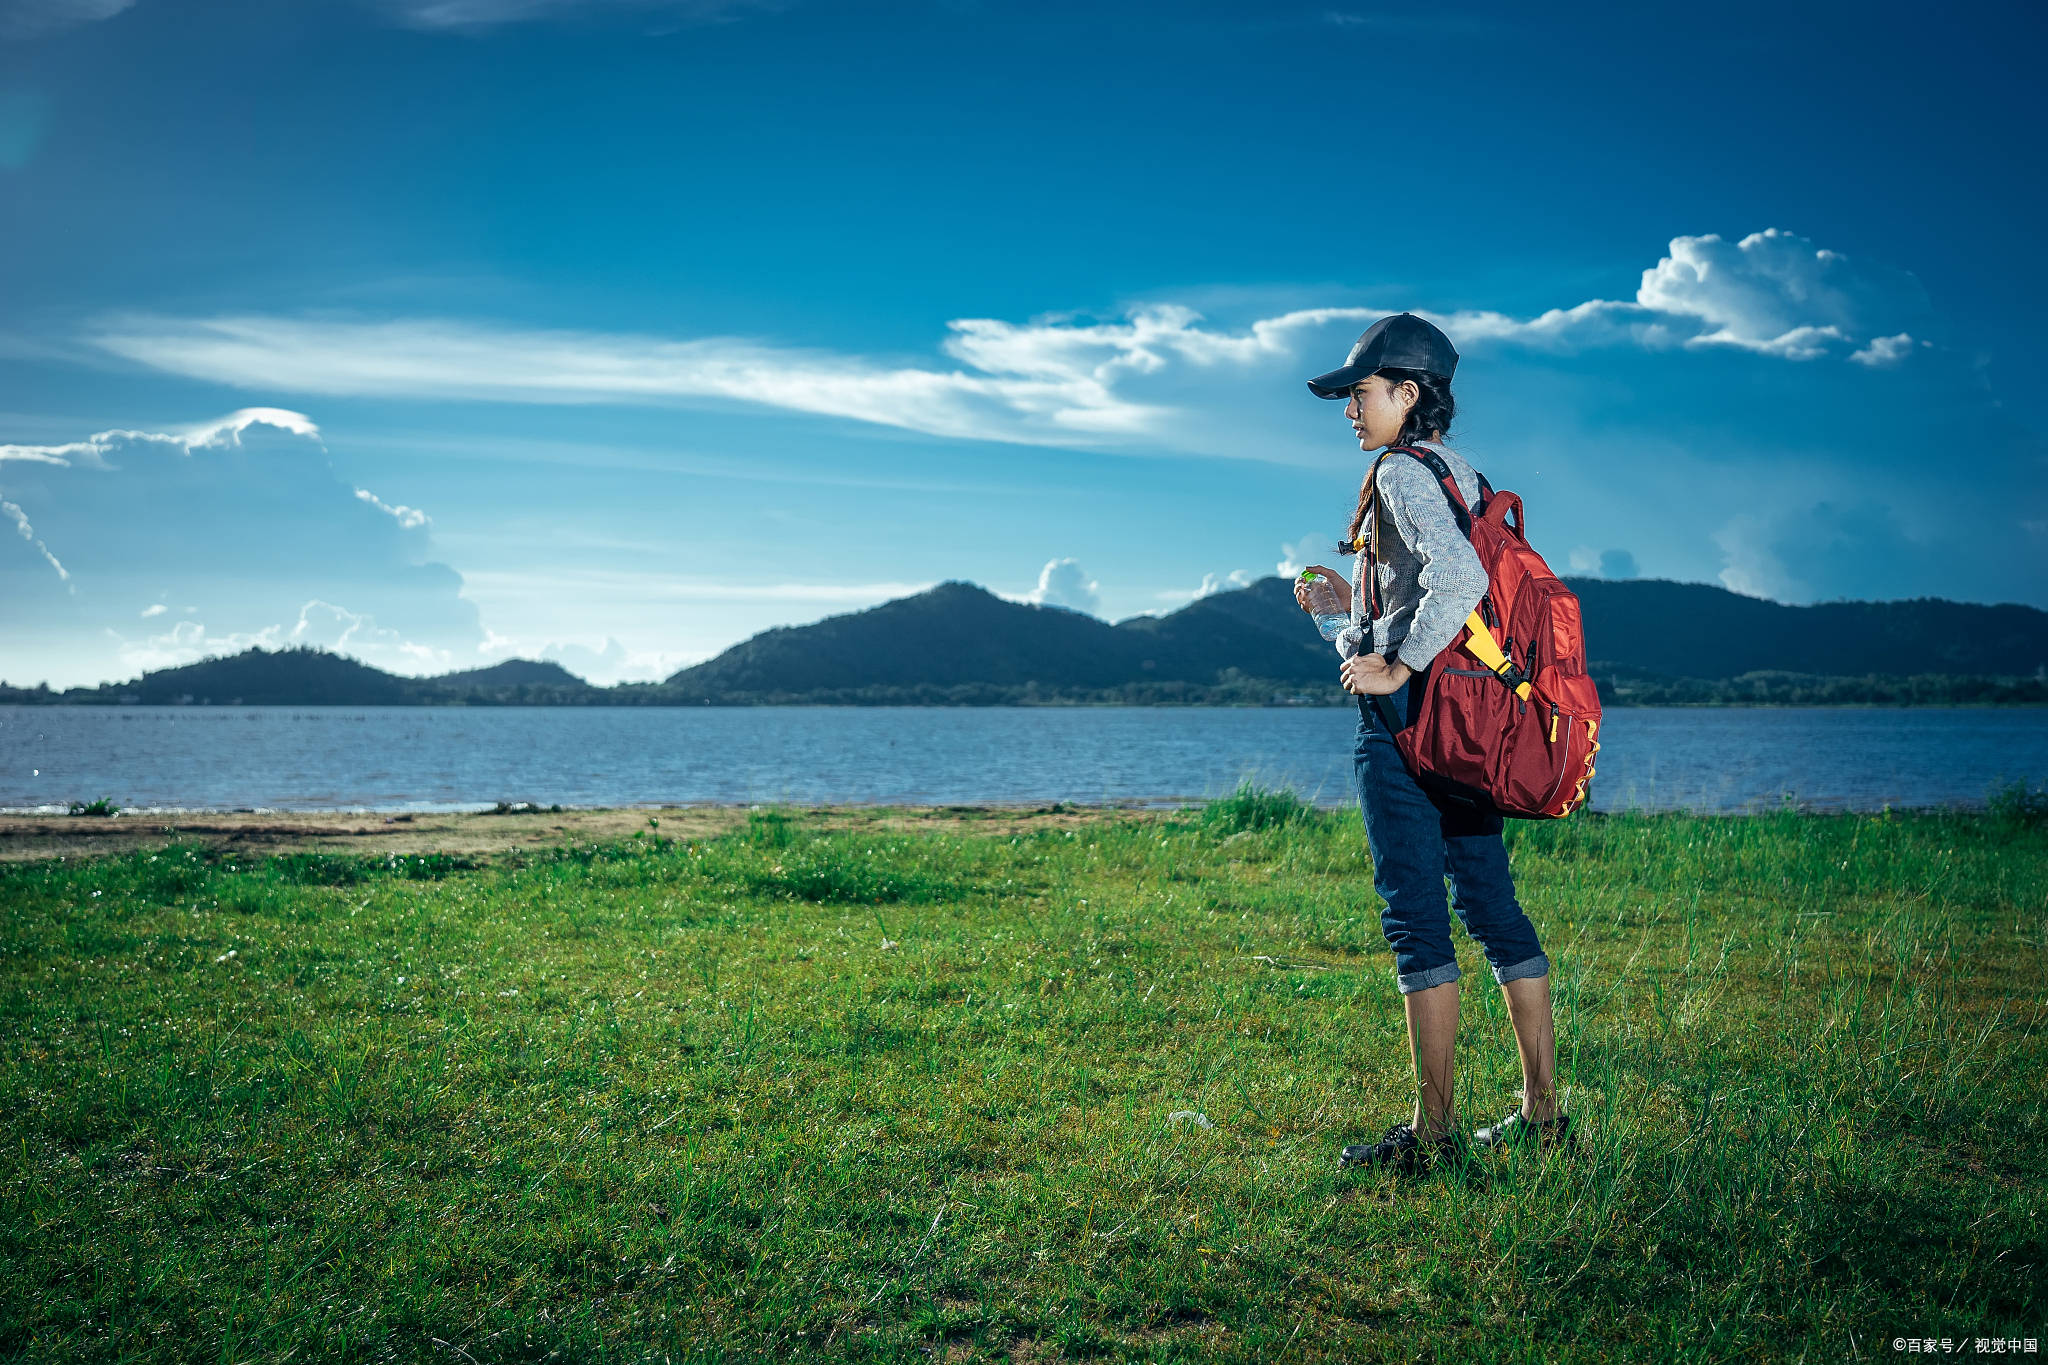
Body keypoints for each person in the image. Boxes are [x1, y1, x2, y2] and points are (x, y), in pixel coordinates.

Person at [1293, 313, 1570, 1174]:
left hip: (1411, 720)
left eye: (1361, 392)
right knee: (1492, 907)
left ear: (1408, 394)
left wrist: (1381, 654)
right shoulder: (1464, 473)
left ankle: (1435, 1135)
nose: (1349, 409)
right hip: (1471, 722)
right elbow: (1456, 585)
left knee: (1417, 922)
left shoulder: (1398, 472)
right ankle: (1543, 1114)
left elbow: (1461, 577)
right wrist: (1355, 612)